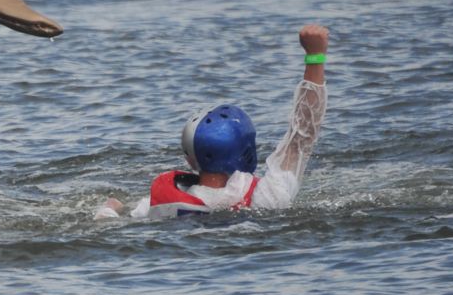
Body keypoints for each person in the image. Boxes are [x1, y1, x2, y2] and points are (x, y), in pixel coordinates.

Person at [98, 24, 329, 220]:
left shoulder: (156, 205)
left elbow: (106, 221)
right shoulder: (267, 197)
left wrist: (111, 206)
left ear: (190, 156)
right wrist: (315, 57)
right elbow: (302, 136)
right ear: (244, 150)